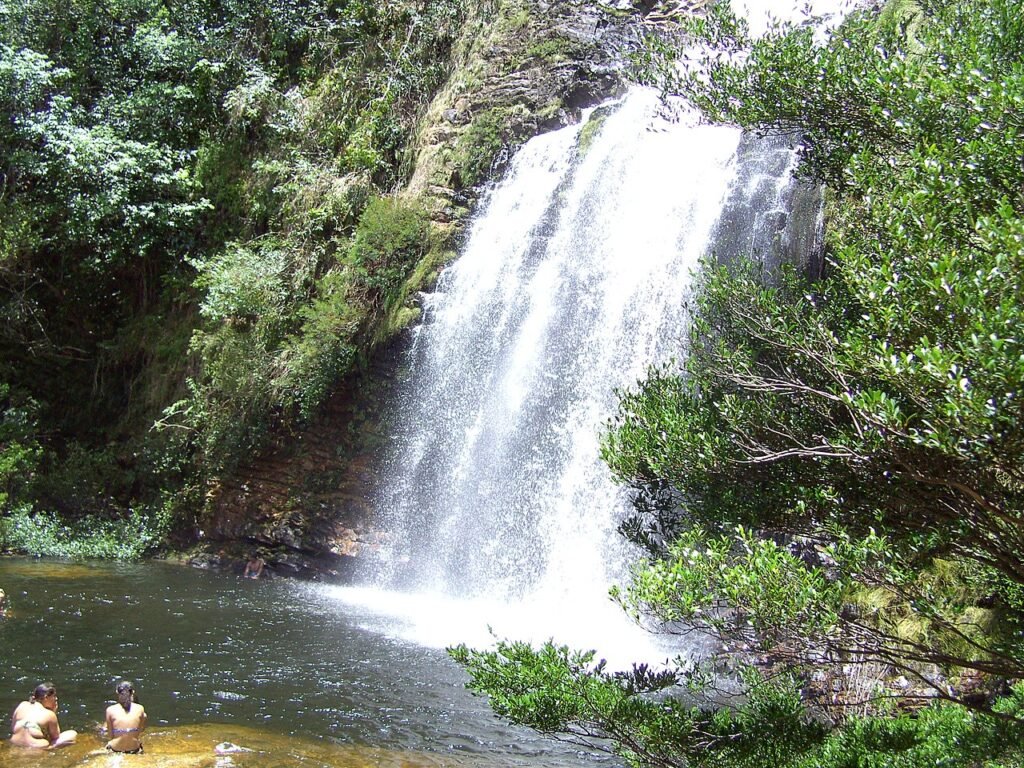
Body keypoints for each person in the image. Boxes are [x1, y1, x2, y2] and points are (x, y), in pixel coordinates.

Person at [9, 682, 77, 749]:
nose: (56, 699)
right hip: (36, 747)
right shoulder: (49, 714)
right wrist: (53, 712)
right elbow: (55, 737)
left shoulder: (22, 705)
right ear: (46, 697)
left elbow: (13, 727)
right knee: (72, 734)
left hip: (15, 743)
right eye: (54, 696)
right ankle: (50, 748)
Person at [104, 680, 146, 754]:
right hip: (134, 749)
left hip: (116, 749)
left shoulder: (110, 710)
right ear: (132, 692)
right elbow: (139, 731)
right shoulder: (140, 708)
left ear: (117, 692)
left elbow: (110, 735)